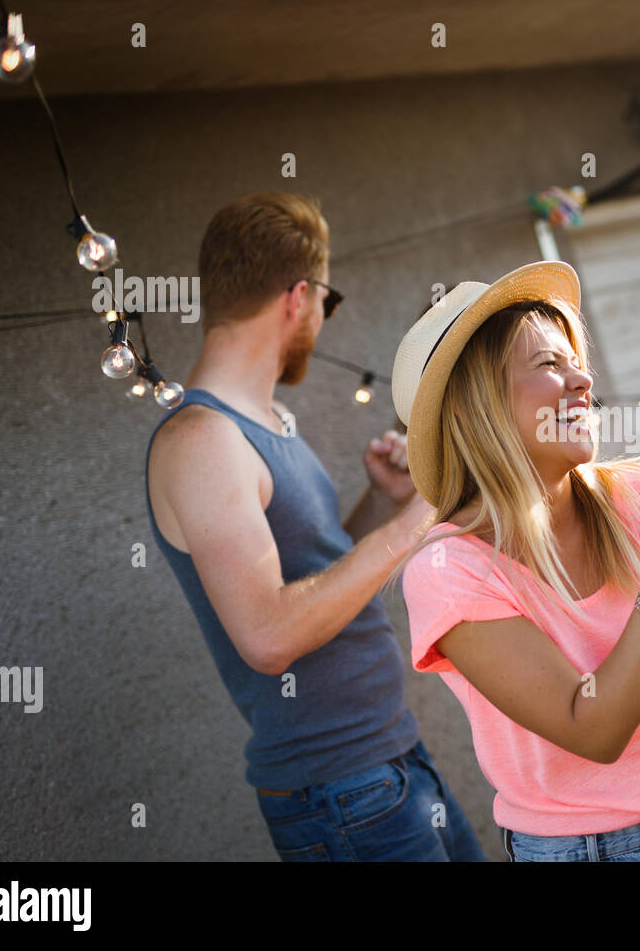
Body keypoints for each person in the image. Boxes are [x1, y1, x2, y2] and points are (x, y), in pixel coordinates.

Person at [388, 262, 640, 861]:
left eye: (576, 362)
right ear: (479, 406)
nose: (581, 382)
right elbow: (592, 729)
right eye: (549, 364)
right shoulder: (449, 572)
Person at [145, 191, 485, 861]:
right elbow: (270, 635)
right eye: (326, 306)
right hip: (341, 793)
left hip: (389, 762)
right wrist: (421, 516)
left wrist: (385, 504)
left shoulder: (264, 424)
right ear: (298, 298)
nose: (321, 323)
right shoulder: (201, 440)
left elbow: (317, 584)